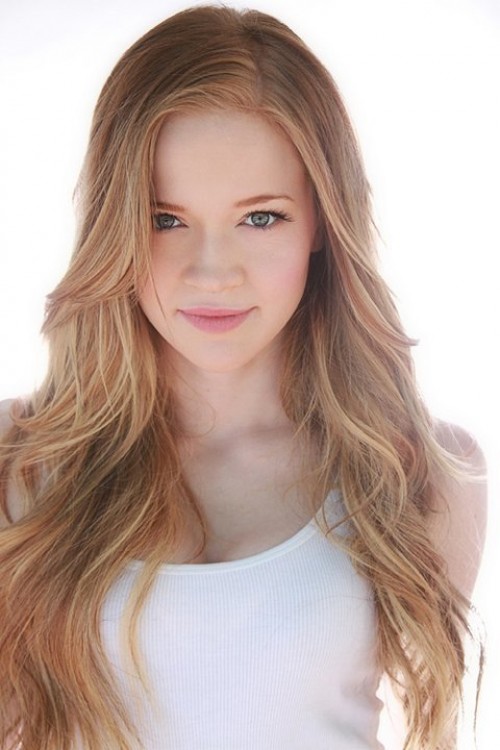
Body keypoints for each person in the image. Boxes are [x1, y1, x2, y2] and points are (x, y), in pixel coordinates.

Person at [0, 5, 487, 750]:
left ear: (323, 222)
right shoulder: (19, 461)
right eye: (165, 219)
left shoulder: (423, 472)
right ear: (113, 226)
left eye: (261, 218)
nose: (212, 272)